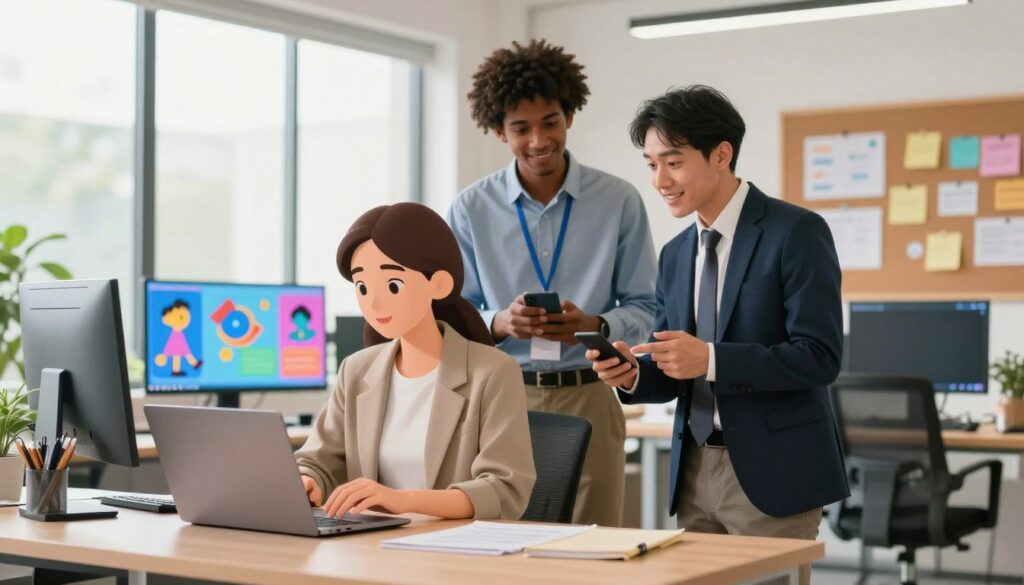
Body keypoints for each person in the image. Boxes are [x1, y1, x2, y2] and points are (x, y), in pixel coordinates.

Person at [586, 85, 848, 584]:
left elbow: (819, 357)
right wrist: (631, 376)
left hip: (772, 474)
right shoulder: (676, 253)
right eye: (651, 164)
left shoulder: (796, 232)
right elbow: (673, 370)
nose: (660, 180)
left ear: (721, 154)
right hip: (693, 470)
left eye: (673, 162)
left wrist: (710, 359)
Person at [448, 39, 657, 526]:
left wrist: (597, 323)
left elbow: (648, 305)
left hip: (590, 396)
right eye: (521, 128)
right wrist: (498, 321)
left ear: (570, 116)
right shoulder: (470, 208)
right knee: (498, 543)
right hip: (500, 398)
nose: (539, 140)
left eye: (551, 123)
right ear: (499, 130)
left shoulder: (619, 201)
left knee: (594, 547)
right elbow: (451, 313)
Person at [295, 203, 536, 520]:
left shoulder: (492, 372)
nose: (375, 302)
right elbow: (320, 459)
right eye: (362, 287)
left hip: (452, 551)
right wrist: (308, 480)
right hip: (368, 548)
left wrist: (402, 500)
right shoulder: (355, 370)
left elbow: (503, 491)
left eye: (393, 285)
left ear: (439, 284)